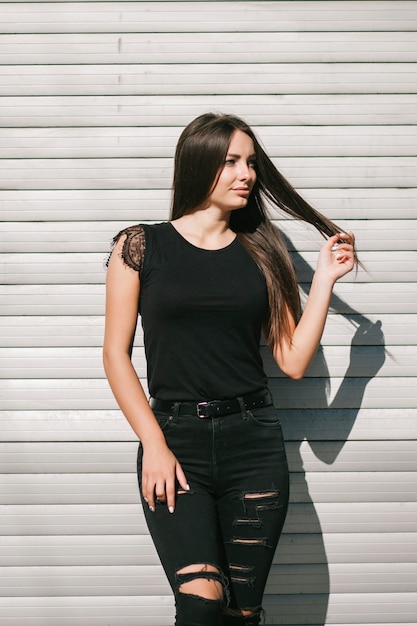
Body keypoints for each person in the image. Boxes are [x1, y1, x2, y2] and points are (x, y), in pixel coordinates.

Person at [103, 112, 356, 626]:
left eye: (250, 163)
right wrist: (154, 444)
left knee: (242, 615)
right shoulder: (140, 246)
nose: (247, 174)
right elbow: (114, 354)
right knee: (201, 606)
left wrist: (325, 280)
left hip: (253, 446)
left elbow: (292, 361)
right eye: (231, 162)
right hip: (176, 445)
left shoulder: (263, 250)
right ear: (200, 165)